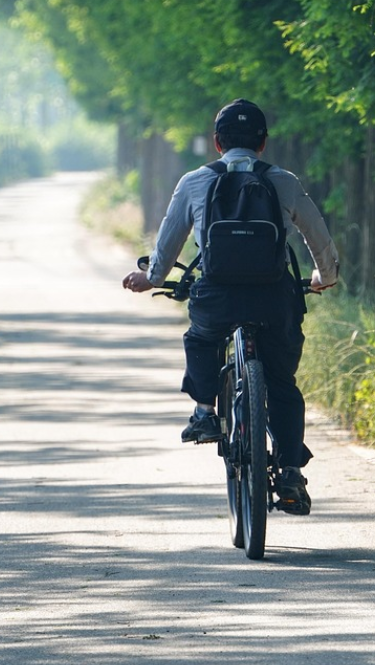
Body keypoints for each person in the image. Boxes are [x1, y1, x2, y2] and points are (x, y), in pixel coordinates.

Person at [122, 99, 339, 515]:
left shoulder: (194, 181)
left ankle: (204, 411)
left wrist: (150, 277)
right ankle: (290, 469)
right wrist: (324, 277)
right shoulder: (283, 181)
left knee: (201, 337)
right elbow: (317, 235)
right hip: (275, 298)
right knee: (281, 382)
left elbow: (168, 243)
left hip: (217, 296)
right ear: (263, 143)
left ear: (217, 143)